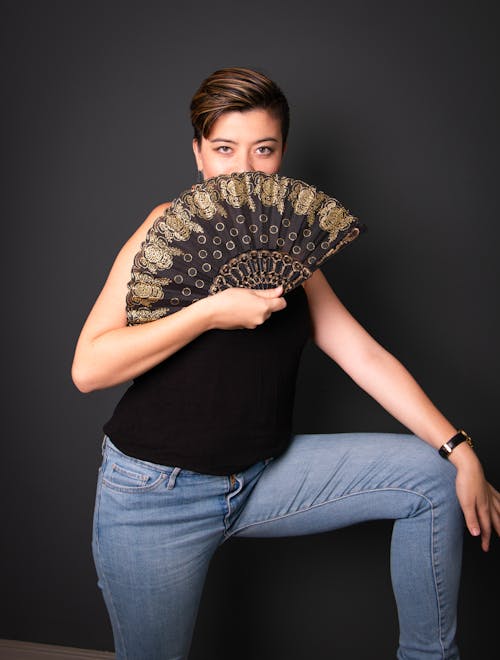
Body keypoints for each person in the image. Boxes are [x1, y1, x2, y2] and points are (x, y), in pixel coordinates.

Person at [71, 67, 499, 660]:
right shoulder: (165, 229)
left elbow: (363, 353)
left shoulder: (288, 245)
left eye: (263, 149)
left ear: (281, 156)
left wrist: (461, 448)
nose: (244, 168)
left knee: (431, 479)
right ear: (198, 153)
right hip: (155, 494)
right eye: (224, 148)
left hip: (261, 477)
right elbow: (89, 368)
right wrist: (207, 312)